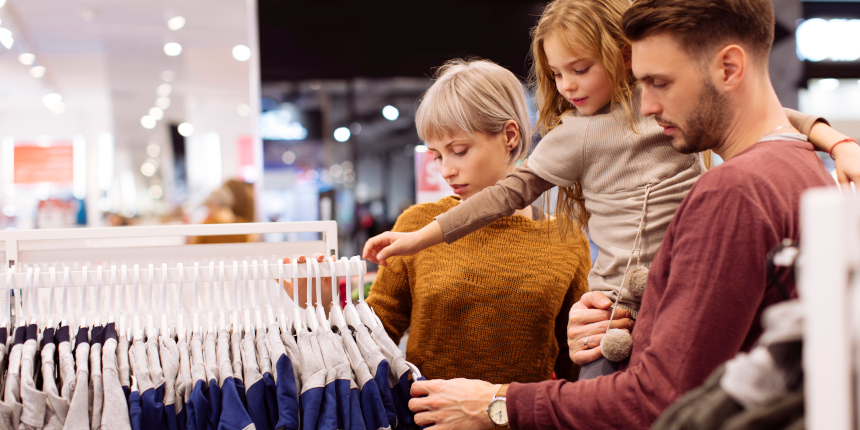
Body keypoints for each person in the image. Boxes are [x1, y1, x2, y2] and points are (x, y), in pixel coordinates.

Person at [400, 0, 859, 429]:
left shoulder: (734, 191)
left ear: (729, 68)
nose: (646, 106)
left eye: (659, 83)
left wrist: (497, 404)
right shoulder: (796, 167)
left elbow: (657, 398)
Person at [365, 59, 591, 384]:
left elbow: (576, 364)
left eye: (458, 150)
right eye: (437, 156)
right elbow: (376, 337)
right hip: (431, 418)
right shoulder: (417, 226)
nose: (445, 171)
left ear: (510, 136)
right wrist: (321, 304)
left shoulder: (564, 238)